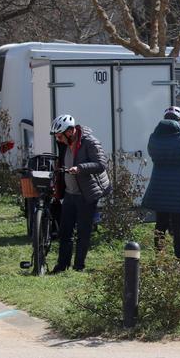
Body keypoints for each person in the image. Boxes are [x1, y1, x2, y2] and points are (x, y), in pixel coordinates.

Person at [48, 114, 110, 273]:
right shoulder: (64, 143)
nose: (58, 139)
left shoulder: (90, 142)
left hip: (86, 194)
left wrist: (80, 168)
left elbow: (101, 164)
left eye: (59, 136)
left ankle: (78, 266)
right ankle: (62, 266)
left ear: (70, 132)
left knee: (83, 232)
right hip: (70, 193)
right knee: (65, 232)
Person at [141, 106, 180, 260]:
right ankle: (179, 256)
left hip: (159, 185)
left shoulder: (154, 138)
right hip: (178, 187)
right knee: (178, 223)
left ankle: (159, 256)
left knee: (160, 222)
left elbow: (152, 154)